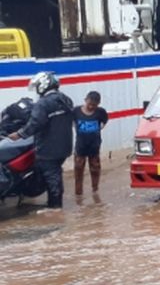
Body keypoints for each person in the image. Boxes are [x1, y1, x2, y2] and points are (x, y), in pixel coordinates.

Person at [8, 72, 74, 210]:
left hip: (48, 149)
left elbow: (35, 123)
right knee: (52, 174)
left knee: (52, 177)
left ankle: (55, 208)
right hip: (65, 147)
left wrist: (19, 134)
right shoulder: (65, 99)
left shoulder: (43, 104)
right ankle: (52, 205)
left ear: (43, 85)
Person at [73, 91, 109, 195]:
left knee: (95, 168)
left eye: (94, 105)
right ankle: (78, 193)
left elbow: (105, 121)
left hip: (94, 145)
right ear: (85, 100)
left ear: (98, 104)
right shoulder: (76, 111)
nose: (91, 107)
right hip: (80, 145)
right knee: (78, 169)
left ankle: (95, 190)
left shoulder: (100, 112)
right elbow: (72, 121)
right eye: (89, 104)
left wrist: (99, 128)